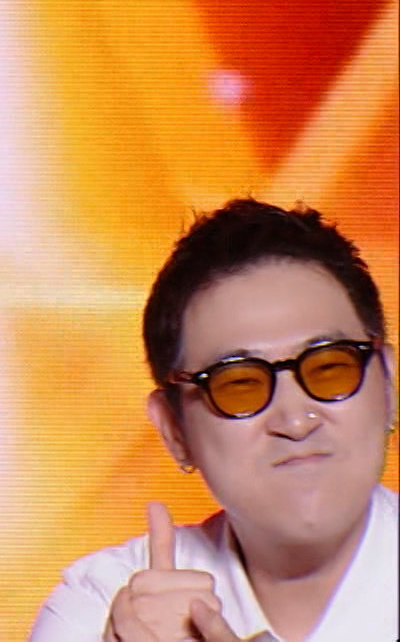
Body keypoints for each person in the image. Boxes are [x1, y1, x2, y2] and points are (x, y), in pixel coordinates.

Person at [30, 199, 397, 642]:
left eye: (329, 367)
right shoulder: (103, 604)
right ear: (174, 430)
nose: (296, 421)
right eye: (239, 384)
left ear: (388, 383)